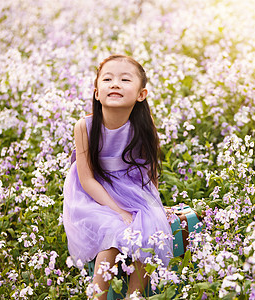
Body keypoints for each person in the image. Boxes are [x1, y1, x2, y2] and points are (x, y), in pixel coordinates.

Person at [63, 54, 173, 299]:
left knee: (148, 233)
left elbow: (149, 173)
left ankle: (135, 295)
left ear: (141, 94)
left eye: (125, 79)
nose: (115, 84)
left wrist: (154, 208)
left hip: (131, 189)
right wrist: (118, 211)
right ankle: (98, 296)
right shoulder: (85, 127)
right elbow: (87, 179)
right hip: (91, 193)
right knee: (113, 232)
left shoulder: (144, 127)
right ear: (96, 93)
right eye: (108, 79)